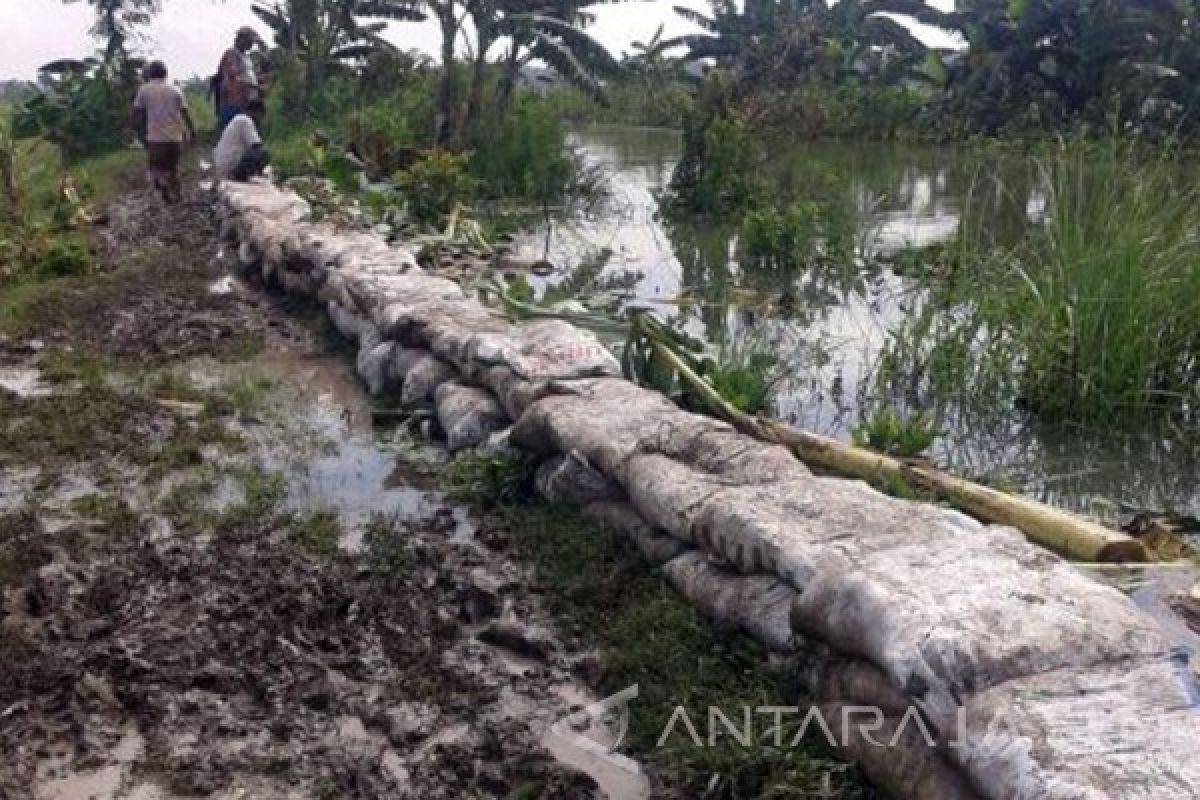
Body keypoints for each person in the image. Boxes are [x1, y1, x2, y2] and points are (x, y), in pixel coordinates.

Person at [132, 61, 195, 204]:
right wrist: (192, 131)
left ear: (150, 74)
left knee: (155, 167)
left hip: (155, 138)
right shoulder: (175, 90)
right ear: (165, 73)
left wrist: (135, 130)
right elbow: (185, 113)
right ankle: (177, 196)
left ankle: (163, 185)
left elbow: (136, 112)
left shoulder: (144, 90)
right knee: (173, 168)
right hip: (175, 138)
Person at [216, 27, 261, 132]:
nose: (251, 44)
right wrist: (257, 87)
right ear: (241, 39)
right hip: (233, 102)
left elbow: (246, 76)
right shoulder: (231, 54)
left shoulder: (245, 56)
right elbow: (234, 79)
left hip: (246, 101)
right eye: (250, 41)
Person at [213, 100, 270, 182]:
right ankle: (237, 175)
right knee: (263, 153)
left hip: (222, 164)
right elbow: (257, 146)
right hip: (229, 164)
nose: (261, 120)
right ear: (257, 112)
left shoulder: (239, 119)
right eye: (261, 116)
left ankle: (239, 174)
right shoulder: (246, 121)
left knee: (256, 152)